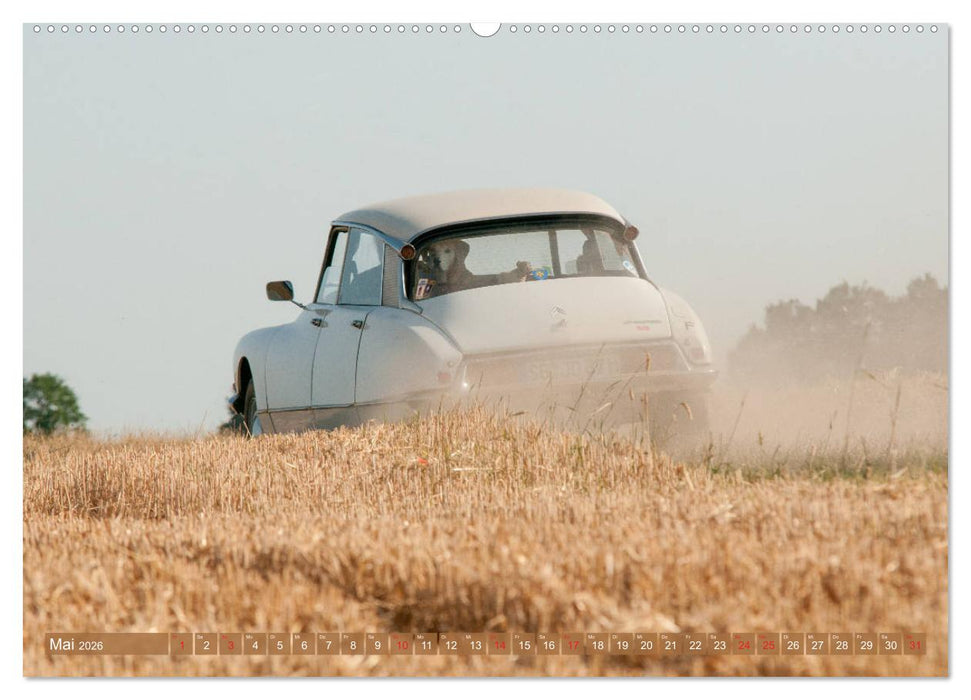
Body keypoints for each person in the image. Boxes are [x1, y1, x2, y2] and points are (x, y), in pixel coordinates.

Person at [416, 238, 531, 298]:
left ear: (459, 255)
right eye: (433, 251)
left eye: (447, 251)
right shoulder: (422, 280)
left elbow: (495, 280)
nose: (437, 257)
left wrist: (516, 275)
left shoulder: (470, 283)